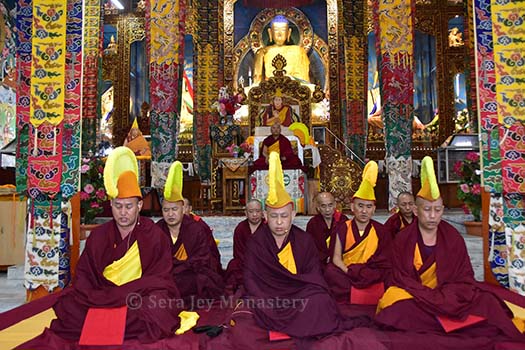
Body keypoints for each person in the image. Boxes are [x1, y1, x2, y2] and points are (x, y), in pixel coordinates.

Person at [22, 147, 181, 346]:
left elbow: (160, 278)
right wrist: (103, 296)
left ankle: (105, 322)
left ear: (139, 206)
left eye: (129, 206)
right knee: (69, 305)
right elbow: (84, 275)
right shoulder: (99, 235)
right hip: (102, 295)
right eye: (118, 206)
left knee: (158, 306)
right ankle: (112, 322)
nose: (123, 213)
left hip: (138, 297)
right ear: (111, 205)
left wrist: (122, 295)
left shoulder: (154, 236)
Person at [376, 157, 524, 342]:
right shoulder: (403, 239)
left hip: (447, 293)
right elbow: (398, 277)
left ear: (443, 210)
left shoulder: (452, 236)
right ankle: (453, 323)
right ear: (416, 210)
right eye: (427, 209)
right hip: (415, 294)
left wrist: (443, 296)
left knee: (488, 302)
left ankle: (437, 322)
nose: (432, 215)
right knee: (392, 302)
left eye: (437, 210)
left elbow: (464, 276)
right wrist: (428, 295)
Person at [235, 152, 370, 347]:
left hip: (299, 295)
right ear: (265, 215)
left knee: (321, 300)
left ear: (293, 214)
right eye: (274, 217)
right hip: (269, 296)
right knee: (244, 320)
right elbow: (250, 278)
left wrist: (297, 293)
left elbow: (314, 275)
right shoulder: (257, 242)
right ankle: (299, 324)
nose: (279, 222)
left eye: (284, 216)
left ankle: (288, 327)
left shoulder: (304, 240)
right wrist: (267, 298)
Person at [324, 161, 392, 302]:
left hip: (370, 273)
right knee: (330, 272)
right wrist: (350, 272)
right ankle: (369, 295)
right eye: (360, 206)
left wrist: (364, 273)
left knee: (389, 274)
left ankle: (354, 295)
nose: (364, 211)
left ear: (374, 209)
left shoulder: (381, 230)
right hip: (347, 272)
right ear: (352, 207)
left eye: (368, 207)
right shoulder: (342, 227)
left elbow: (384, 261)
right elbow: (336, 258)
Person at [156, 162, 224, 304]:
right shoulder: (158, 229)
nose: (170, 214)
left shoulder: (195, 229)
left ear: (183, 209)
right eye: (166, 210)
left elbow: (202, 258)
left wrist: (180, 266)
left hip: (189, 273)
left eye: (174, 209)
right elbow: (154, 259)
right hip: (167, 274)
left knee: (199, 280)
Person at [253, 15, 310, 84]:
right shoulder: (262, 52)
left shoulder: (298, 51)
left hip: (294, 89)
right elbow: (257, 81)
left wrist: (289, 79)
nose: (279, 34)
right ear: (270, 32)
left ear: (288, 33)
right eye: (276, 30)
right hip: (269, 89)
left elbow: (304, 81)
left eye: (283, 30)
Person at [225, 199, 265, 293]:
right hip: (244, 263)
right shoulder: (241, 228)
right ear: (246, 213)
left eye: (257, 211)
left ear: (263, 213)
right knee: (233, 265)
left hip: (264, 263)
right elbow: (238, 252)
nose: (254, 214)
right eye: (251, 211)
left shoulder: (267, 227)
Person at [183, 197, 224, 277]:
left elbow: (209, 248)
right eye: (177, 208)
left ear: (190, 208)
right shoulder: (171, 225)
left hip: (198, 261)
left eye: (183, 207)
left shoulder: (199, 225)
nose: (181, 211)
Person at [305, 192, 348, 264]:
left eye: (330, 205)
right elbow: (310, 247)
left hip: (341, 260)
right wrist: (325, 258)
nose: (327, 210)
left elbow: (348, 243)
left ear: (335, 204)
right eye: (323, 206)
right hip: (319, 262)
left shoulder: (343, 220)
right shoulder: (313, 223)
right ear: (318, 207)